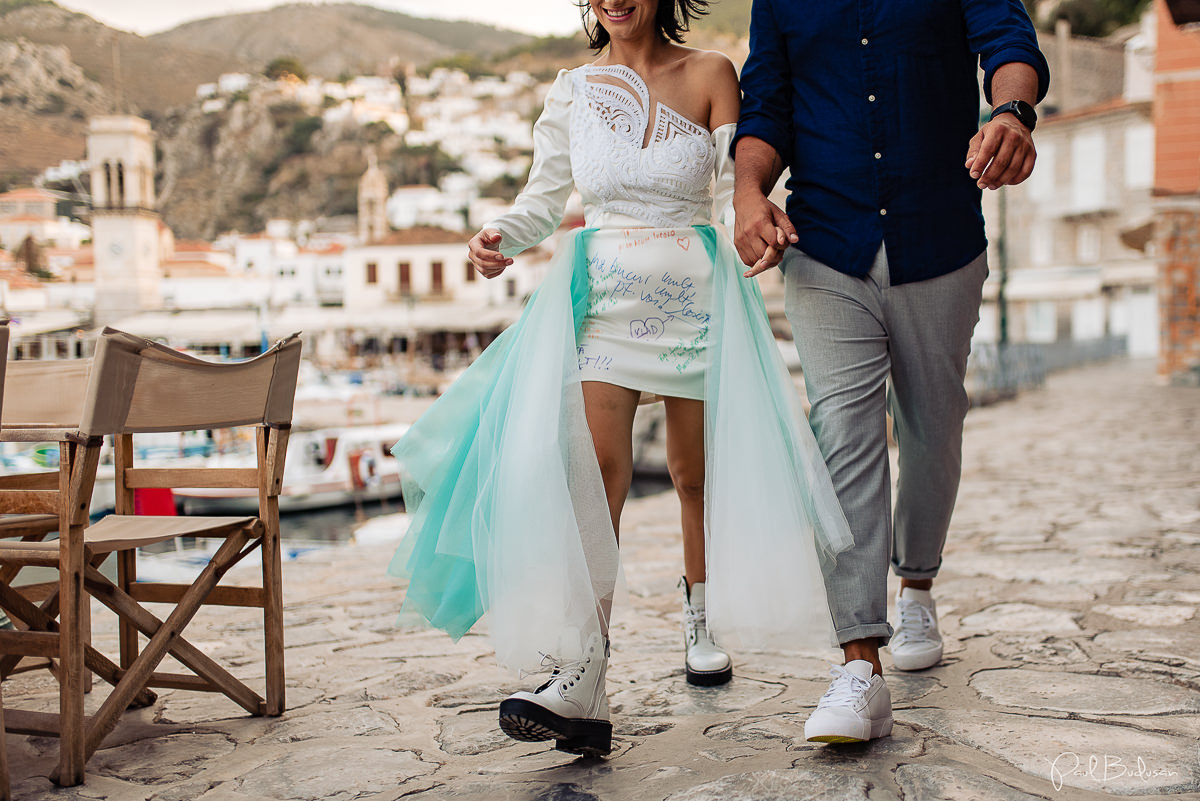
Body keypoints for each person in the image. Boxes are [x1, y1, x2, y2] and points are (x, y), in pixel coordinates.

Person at [389, 0, 852, 758]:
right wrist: (499, 235)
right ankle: (586, 669)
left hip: (696, 297)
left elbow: (742, 173)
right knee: (595, 472)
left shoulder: (710, 73)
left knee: (691, 473)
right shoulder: (572, 89)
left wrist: (758, 209)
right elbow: (544, 199)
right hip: (603, 300)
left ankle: (700, 617)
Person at [732, 0, 1050, 743]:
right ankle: (858, 663)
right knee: (843, 431)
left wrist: (1011, 110)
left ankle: (917, 583)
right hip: (824, 243)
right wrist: (748, 192)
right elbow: (767, 102)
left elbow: (1009, 40)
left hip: (938, 237)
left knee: (934, 429)